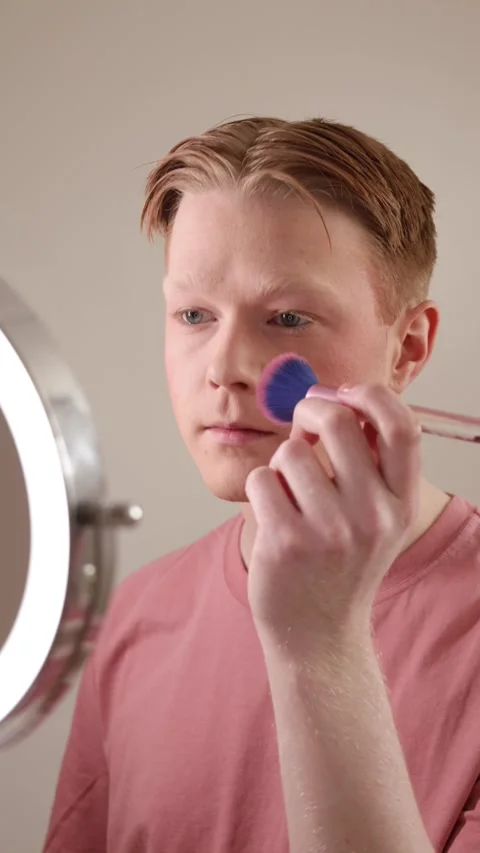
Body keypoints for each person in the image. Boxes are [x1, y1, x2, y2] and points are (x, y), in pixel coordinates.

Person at [42, 117, 480, 853]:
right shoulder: (138, 615)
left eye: (286, 316)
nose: (224, 366)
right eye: (193, 315)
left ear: (408, 347)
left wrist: (321, 644)